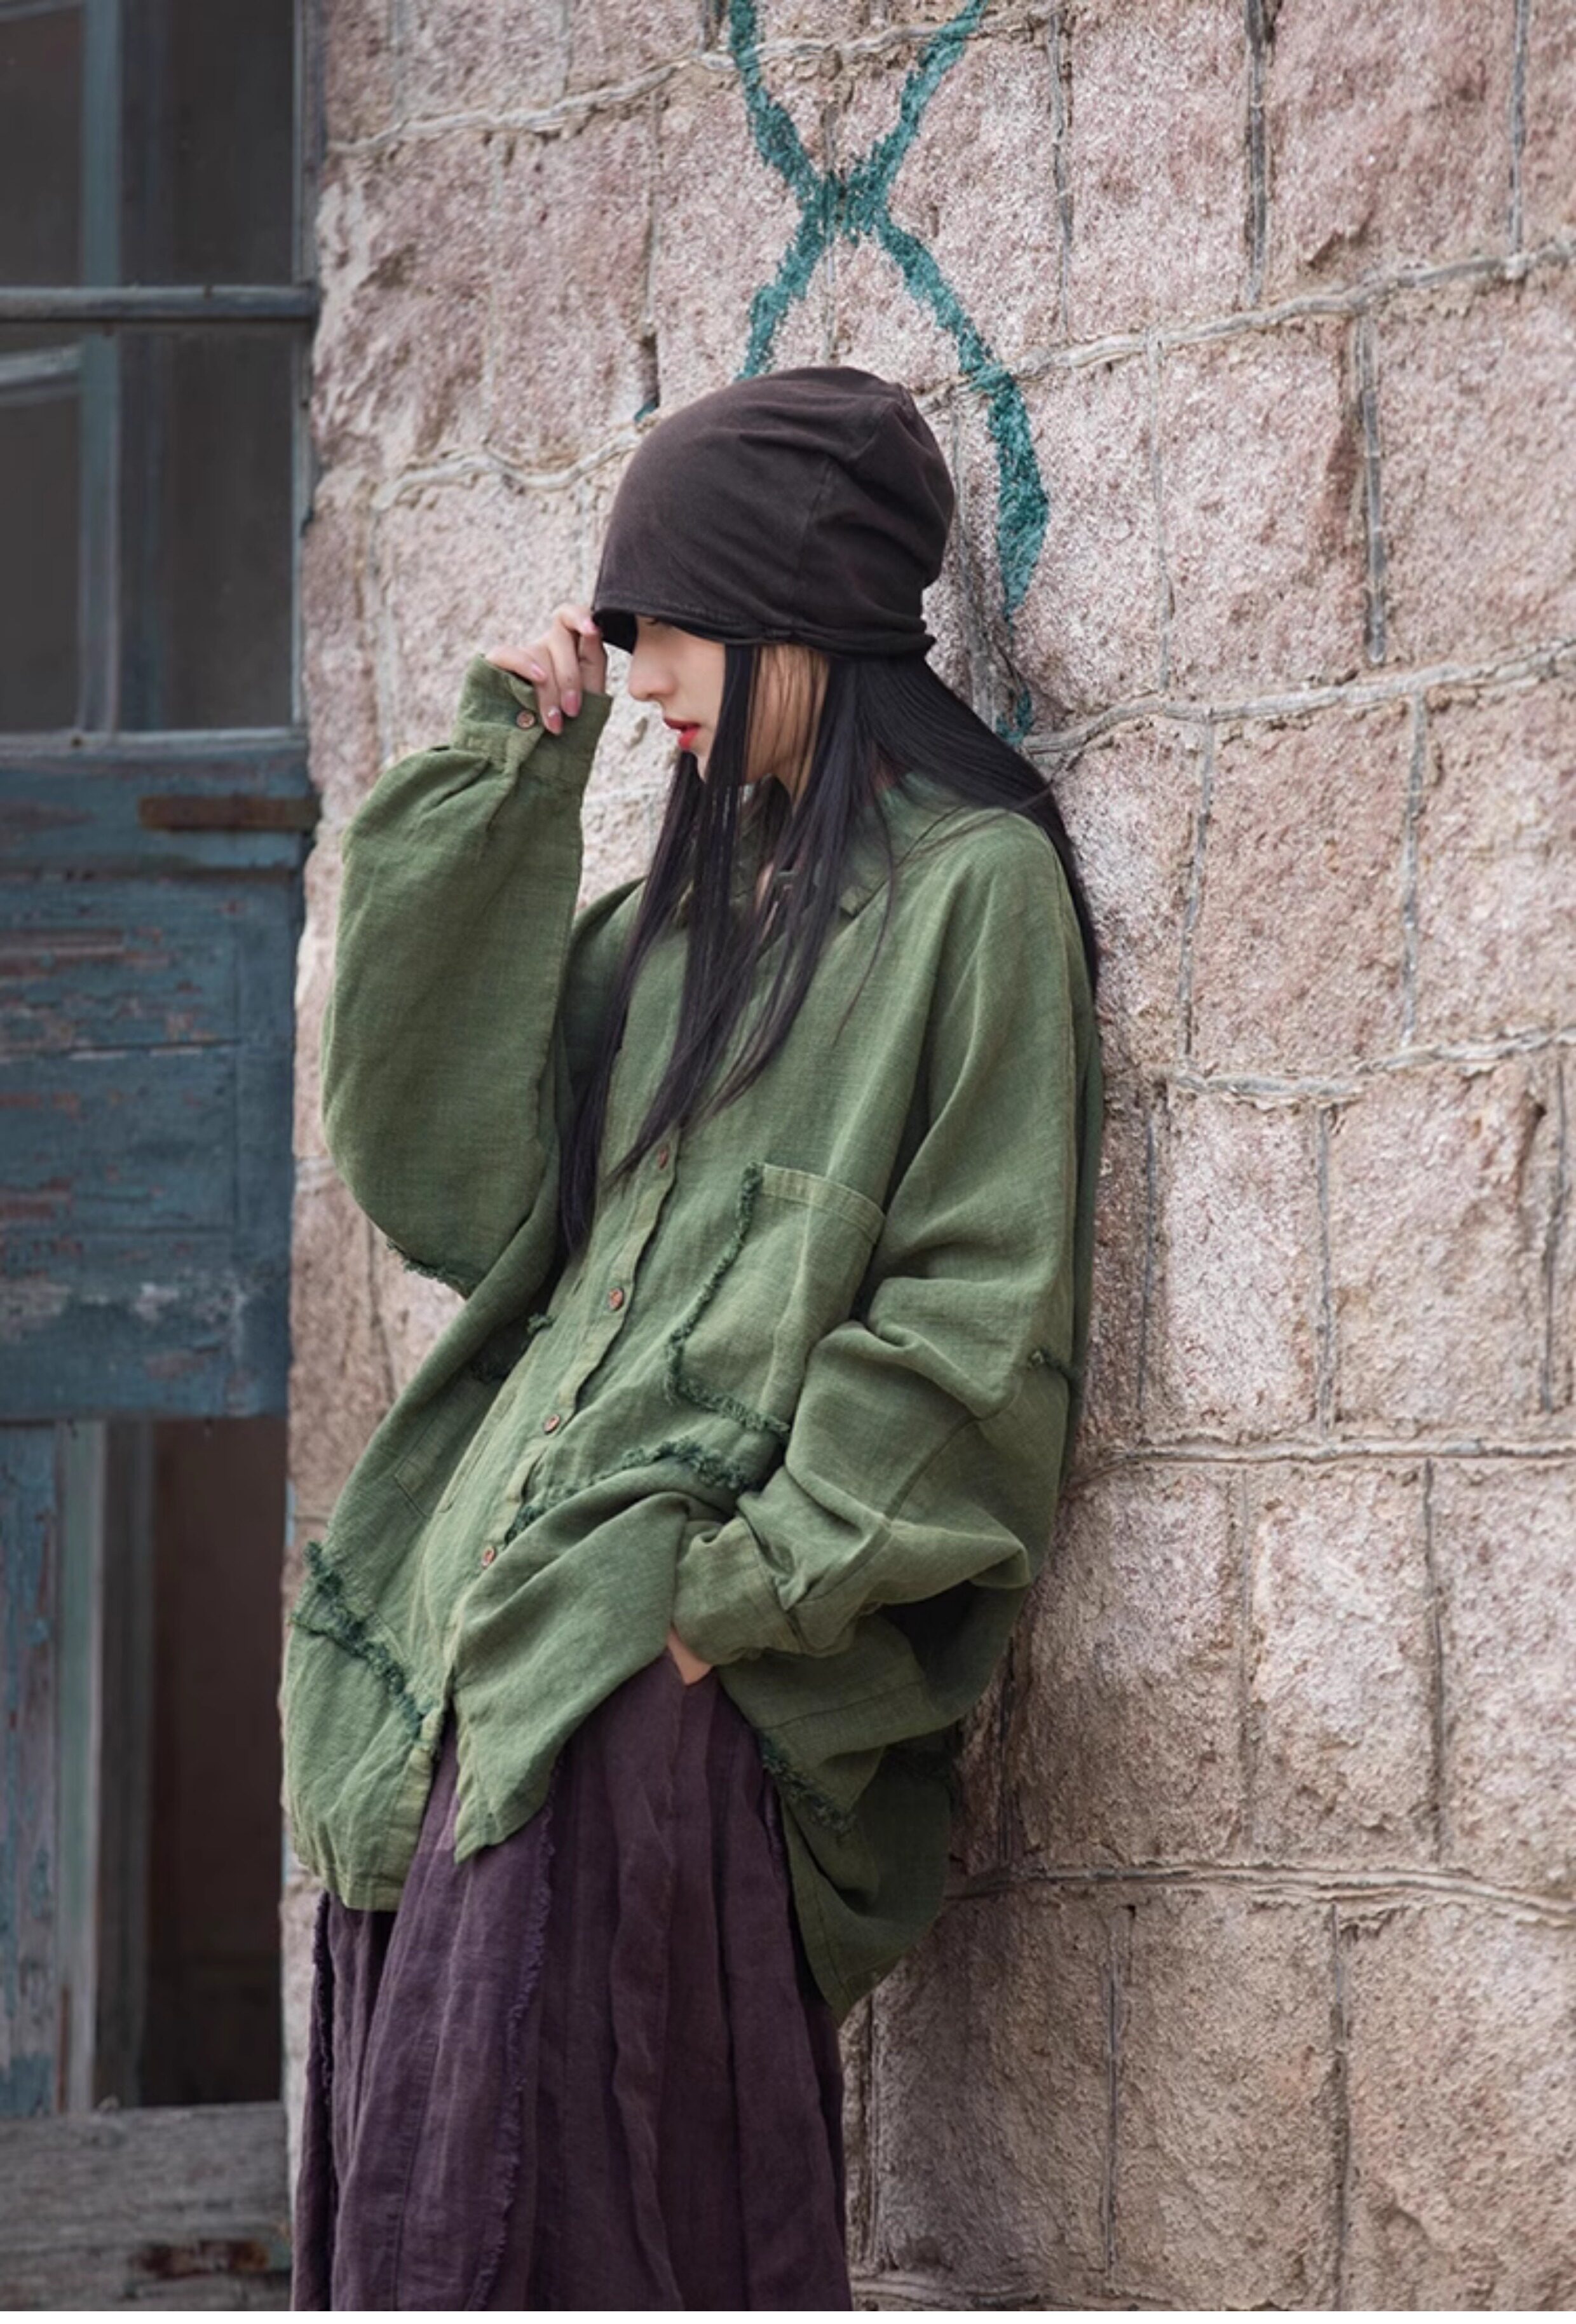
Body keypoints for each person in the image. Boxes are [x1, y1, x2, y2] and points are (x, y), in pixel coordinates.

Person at [283, 364, 1104, 2309]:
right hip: (481, 1636)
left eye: (675, 622)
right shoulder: (682, 919)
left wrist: (713, 1606)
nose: (644, 668)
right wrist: (507, 783)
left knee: (578, 2221)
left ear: (798, 611)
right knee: (434, 2210)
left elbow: (975, 1325)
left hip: (658, 1695)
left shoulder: (974, 899)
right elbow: (444, 1168)